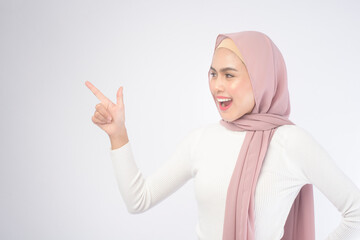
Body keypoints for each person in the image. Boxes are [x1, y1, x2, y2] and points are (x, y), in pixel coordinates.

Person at [85, 31, 360, 239]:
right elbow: (139, 200)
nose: (217, 86)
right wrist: (118, 134)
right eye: (213, 74)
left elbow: (355, 213)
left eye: (229, 75)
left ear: (261, 77)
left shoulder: (291, 142)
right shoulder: (201, 141)